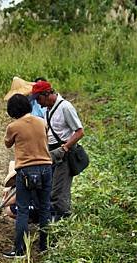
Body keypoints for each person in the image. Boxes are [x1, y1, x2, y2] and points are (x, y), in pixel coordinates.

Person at [2, 94, 53, 258]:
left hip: (26, 170)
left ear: (13, 111)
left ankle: (20, 250)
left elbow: (7, 143)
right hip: (46, 167)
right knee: (45, 207)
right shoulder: (42, 121)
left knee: (22, 210)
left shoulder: (13, 126)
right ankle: (45, 246)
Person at [31, 80, 85, 220]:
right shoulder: (48, 110)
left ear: (46, 94)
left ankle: (62, 221)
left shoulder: (65, 107)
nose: (38, 103)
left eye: (38, 99)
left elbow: (79, 132)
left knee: (59, 191)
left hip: (64, 154)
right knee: (50, 187)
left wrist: (65, 148)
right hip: (53, 152)